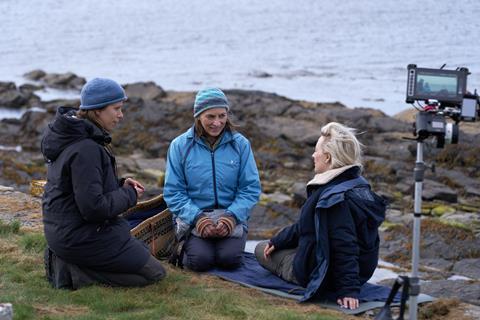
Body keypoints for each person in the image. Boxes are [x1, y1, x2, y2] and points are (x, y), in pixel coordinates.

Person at [41, 78, 166, 289]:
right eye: (116, 109)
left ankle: (68, 261)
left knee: (142, 254)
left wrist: (120, 184)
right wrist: (129, 195)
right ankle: (73, 273)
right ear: (97, 110)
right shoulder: (86, 148)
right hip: (79, 236)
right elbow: (93, 208)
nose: (121, 115)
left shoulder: (75, 137)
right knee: (155, 273)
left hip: (65, 230)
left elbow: (82, 185)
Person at [254, 122, 386, 310]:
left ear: (328, 157)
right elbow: (306, 224)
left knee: (260, 249)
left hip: (321, 273)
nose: (313, 155)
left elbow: (345, 245)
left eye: (316, 151)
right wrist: (279, 240)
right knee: (275, 245)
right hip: (359, 272)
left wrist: (348, 290)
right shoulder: (357, 185)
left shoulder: (333, 198)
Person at [164, 88, 261, 271]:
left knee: (229, 260)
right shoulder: (179, 146)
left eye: (222, 116)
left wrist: (231, 217)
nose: (217, 123)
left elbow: (250, 188)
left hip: (231, 217)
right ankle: (183, 246)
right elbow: (173, 192)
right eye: (210, 117)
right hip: (194, 218)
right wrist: (199, 218)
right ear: (198, 116)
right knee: (199, 261)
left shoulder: (240, 145)